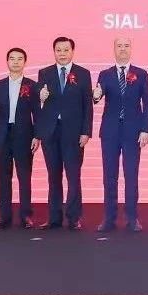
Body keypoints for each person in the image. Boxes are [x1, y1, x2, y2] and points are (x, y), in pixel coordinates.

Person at [94, 38, 148, 233]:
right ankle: (109, 218)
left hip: (132, 132)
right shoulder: (105, 74)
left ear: (131, 49)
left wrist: (146, 129)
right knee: (109, 176)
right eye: (119, 46)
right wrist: (95, 95)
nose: (123, 49)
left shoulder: (141, 74)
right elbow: (98, 95)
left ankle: (132, 218)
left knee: (131, 175)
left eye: (126, 46)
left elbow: (147, 105)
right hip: (110, 131)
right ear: (114, 49)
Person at [35, 36, 93, 230]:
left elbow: (87, 105)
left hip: (74, 133)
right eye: (58, 50)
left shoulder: (83, 74)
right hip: (50, 132)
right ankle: (54, 218)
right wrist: (40, 96)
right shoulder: (45, 73)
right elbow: (39, 98)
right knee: (53, 176)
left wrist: (86, 132)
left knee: (73, 176)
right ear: (54, 52)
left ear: (72, 51)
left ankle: (74, 217)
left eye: (66, 50)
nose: (62, 53)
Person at [0, 47, 39, 230]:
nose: (15, 62)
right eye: (12, 58)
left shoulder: (32, 85)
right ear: (7, 61)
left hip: (24, 135)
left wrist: (37, 136)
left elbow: (37, 113)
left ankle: (26, 216)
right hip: (2, 135)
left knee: (24, 177)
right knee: (3, 177)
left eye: (19, 59)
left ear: (24, 62)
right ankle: (4, 216)